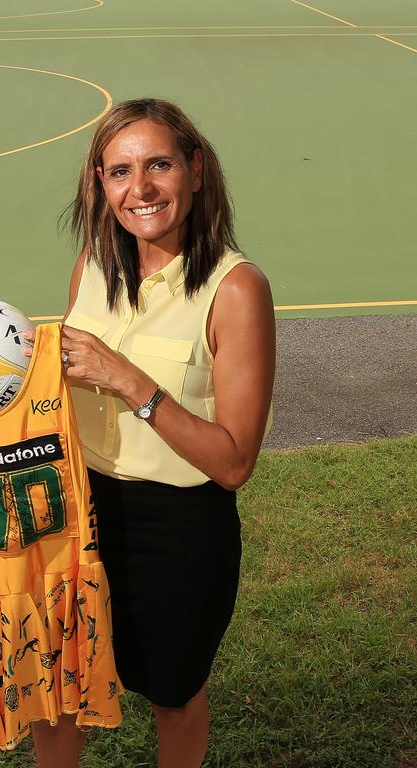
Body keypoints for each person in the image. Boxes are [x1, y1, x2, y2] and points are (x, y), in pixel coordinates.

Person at [26, 98, 276, 768]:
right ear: (100, 186)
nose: (140, 189)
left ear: (195, 170)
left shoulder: (236, 289)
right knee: (58, 692)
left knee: (172, 698)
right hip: (78, 514)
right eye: (119, 172)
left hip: (179, 529)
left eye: (159, 165)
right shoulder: (90, 269)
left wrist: (130, 380)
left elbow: (232, 463)